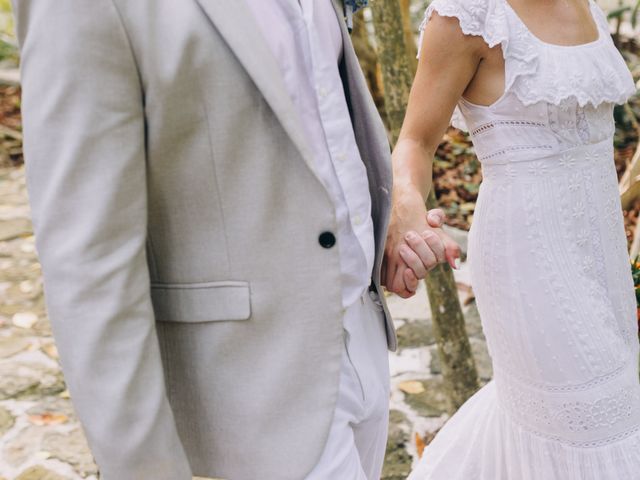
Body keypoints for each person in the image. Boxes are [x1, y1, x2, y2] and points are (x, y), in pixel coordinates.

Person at [13, 0, 459, 478]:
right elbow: (86, 259)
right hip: (246, 386)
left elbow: (312, 106)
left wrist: (381, 218)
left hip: (361, 337)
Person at [383, 0, 640, 477]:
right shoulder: (469, 15)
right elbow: (414, 143)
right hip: (530, 259)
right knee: (587, 427)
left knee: (597, 412)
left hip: (601, 257)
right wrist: (406, 211)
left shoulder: (586, 4)